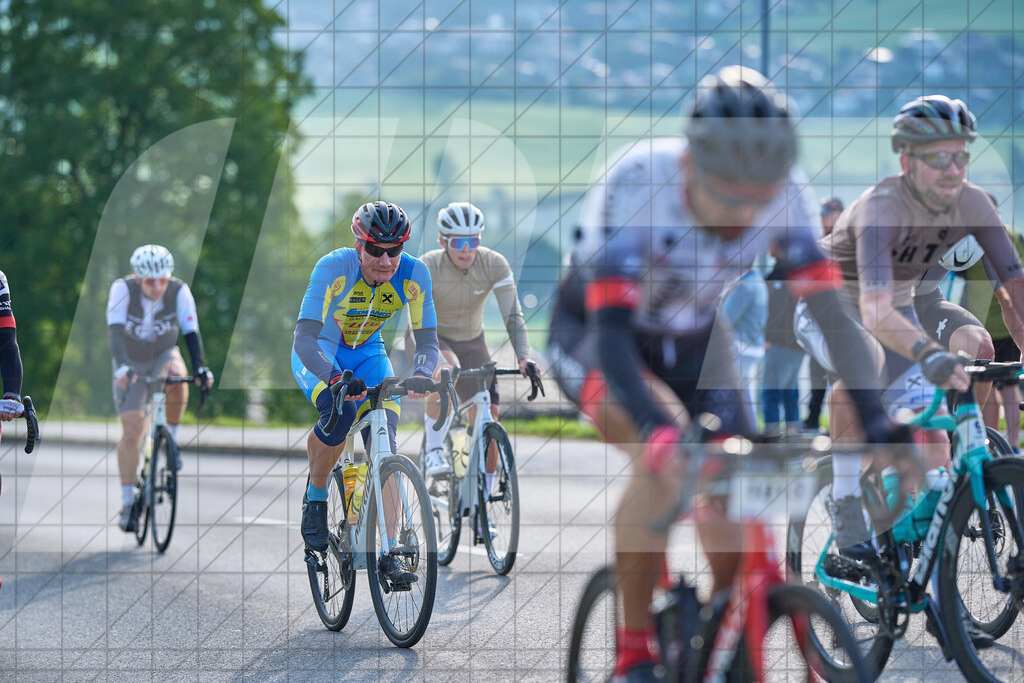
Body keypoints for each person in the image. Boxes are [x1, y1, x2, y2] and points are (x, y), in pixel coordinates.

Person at [551, 66, 899, 680]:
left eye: (757, 199)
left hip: (696, 340)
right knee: (662, 465)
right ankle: (633, 650)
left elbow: (832, 315)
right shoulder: (639, 183)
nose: (745, 213)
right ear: (690, 164)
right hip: (600, 337)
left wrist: (877, 418)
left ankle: (716, 633)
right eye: (729, 195)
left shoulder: (785, 192)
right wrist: (660, 435)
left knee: (735, 489)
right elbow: (611, 339)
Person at [809, 95, 1024, 646]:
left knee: (973, 342)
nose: (953, 170)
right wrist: (927, 356)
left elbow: (1012, 294)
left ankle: (956, 451)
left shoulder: (974, 203)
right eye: (938, 158)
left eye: (961, 157)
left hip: (918, 298)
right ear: (906, 162)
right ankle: (851, 517)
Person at [291, 201, 439, 585]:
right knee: (339, 416)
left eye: (395, 250)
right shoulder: (333, 268)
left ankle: (390, 550)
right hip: (322, 353)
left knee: (384, 443)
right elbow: (305, 338)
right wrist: (334, 377)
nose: (386, 260)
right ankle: (318, 497)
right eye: (375, 250)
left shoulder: (414, 274)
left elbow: (427, 341)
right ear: (359, 245)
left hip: (370, 355)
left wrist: (423, 371)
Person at [418, 202, 538, 480]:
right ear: (442, 241)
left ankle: (484, 495)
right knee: (448, 369)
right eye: (458, 242)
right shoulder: (427, 265)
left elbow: (512, 314)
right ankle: (433, 449)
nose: (466, 249)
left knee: (488, 416)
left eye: (472, 241)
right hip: (431, 336)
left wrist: (523, 356)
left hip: (472, 340)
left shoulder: (493, 263)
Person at [107, 245, 213, 533]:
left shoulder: (179, 291)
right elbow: (115, 334)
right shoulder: (122, 289)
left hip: (164, 355)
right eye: (150, 281)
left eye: (162, 280)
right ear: (138, 277)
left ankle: (172, 441)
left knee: (178, 376)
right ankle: (128, 502)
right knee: (131, 431)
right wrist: (122, 368)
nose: (157, 286)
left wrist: (200, 368)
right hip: (130, 360)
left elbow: (191, 332)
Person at [803, 197, 843, 432]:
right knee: (816, 372)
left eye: (830, 212)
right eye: (823, 212)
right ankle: (812, 421)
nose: (824, 216)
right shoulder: (816, 242)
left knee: (839, 374)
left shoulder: (846, 241)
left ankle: (835, 424)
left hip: (840, 318)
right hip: (815, 318)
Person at [762, 245, 807, 435]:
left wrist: (767, 337)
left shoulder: (782, 274)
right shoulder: (797, 270)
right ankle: (792, 435)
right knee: (790, 392)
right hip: (796, 342)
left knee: (771, 393)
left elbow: (776, 311)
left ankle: (772, 438)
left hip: (781, 342)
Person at [721, 268, 767, 428]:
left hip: (741, 346)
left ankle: (747, 430)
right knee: (744, 394)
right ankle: (748, 429)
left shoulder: (745, 286)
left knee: (740, 396)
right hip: (752, 345)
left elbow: (725, 318)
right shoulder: (757, 280)